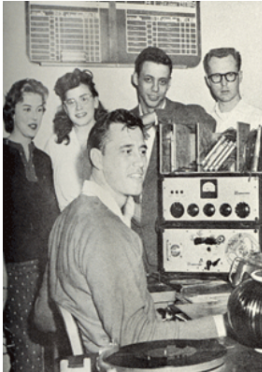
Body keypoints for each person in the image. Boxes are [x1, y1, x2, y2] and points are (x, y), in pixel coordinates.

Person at [38, 109, 226, 354]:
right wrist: (223, 324)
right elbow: (137, 336)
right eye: (126, 151)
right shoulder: (107, 231)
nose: (139, 162)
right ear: (97, 158)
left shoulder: (67, 217)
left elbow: (42, 316)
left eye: (142, 150)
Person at [130, 46, 217, 273]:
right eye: (148, 79)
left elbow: (207, 125)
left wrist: (158, 117)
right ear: (135, 78)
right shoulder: (124, 120)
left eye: (162, 81)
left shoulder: (185, 114)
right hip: (129, 239)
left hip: (170, 243)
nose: (155, 89)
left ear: (169, 83)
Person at [3, 78, 60, 371]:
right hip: (16, 270)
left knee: (51, 351)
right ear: (12, 112)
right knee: (27, 350)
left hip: (47, 267)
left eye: (39, 110)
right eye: (27, 109)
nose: (34, 117)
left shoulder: (44, 160)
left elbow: (53, 216)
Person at [203, 47, 262, 196]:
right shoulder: (203, 123)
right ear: (208, 81)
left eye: (230, 75)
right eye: (216, 77)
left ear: (240, 76)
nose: (224, 83)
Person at [45, 69, 108, 211]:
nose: (79, 107)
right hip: (69, 226)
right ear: (65, 109)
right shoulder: (55, 144)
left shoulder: (110, 139)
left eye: (84, 99)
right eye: (71, 102)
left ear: (95, 102)